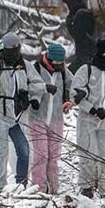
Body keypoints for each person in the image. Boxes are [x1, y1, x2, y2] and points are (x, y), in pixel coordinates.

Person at [0, 33, 44, 194]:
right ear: (4, 47)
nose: (15, 50)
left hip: (17, 115)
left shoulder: (24, 65)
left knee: (24, 150)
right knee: (0, 152)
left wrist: (32, 97)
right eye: (11, 47)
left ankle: (21, 184)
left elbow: (37, 83)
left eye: (17, 47)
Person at [72, 39, 105, 197]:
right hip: (87, 118)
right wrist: (91, 108)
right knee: (87, 152)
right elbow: (75, 93)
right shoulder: (85, 70)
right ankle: (86, 187)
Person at [28, 43, 72, 194]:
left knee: (54, 156)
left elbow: (73, 85)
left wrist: (70, 99)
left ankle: (53, 188)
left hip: (56, 119)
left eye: (61, 62)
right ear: (49, 59)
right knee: (41, 155)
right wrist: (44, 88)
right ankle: (39, 188)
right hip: (37, 117)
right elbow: (28, 86)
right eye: (56, 62)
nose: (59, 64)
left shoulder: (63, 71)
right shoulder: (35, 68)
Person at [62, 0, 97, 71]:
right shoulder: (82, 12)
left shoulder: (82, 14)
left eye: (68, 4)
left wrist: (68, 21)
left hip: (87, 56)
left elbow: (77, 34)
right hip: (83, 55)